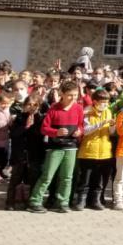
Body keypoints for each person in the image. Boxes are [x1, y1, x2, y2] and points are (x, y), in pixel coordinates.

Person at [27, 80, 82, 213]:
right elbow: (44, 128)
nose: (73, 98)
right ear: (62, 94)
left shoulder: (78, 108)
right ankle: (35, 201)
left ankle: (63, 202)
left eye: (75, 95)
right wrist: (55, 132)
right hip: (55, 148)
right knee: (47, 176)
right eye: (70, 95)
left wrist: (79, 131)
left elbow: (81, 125)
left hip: (71, 147)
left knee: (67, 177)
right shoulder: (54, 108)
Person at [72, 89, 113, 210]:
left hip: (104, 151)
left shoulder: (108, 112)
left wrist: (112, 126)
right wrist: (101, 123)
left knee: (98, 179)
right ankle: (81, 201)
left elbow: (110, 132)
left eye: (106, 102)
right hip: (88, 151)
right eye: (102, 102)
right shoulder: (87, 113)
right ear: (95, 102)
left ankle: (95, 200)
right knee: (85, 179)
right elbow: (86, 130)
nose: (105, 105)